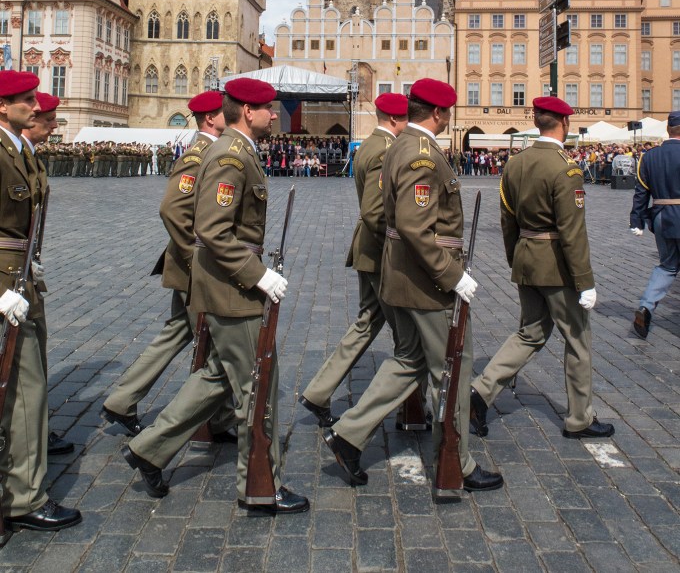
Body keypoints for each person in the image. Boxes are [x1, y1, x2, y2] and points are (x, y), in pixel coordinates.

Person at [123, 78, 308, 514]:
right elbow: (211, 229)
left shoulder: (236, 150)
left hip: (229, 284)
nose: (275, 113)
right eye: (268, 107)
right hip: (232, 288)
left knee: (220, 375)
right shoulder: (229, 154)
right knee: (258, 383)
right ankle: (261, 485)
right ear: (247, 110)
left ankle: (150, 448)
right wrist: (257, 274)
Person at [324, 78, 502, 498]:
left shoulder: (400, 146)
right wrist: (452, 275)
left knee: (409, 361)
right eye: (448, 113)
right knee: (452, 367)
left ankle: (348, 435)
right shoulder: (422, 154)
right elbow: (414, 225)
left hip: (400, 274)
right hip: (426, 282)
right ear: (438, 114)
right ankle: (456, 461)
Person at [469, 96, 615, 441]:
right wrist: (585, 282)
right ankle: (579, 418)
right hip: (556, 264)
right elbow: (572, 231)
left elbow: (507, 219)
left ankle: (480, 393)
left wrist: (514, 258)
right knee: (577, 337)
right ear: (564, 123)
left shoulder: (516, 163)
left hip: (525, 255)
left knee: (530, 333)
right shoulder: (566, 168)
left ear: (538, 122)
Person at [103, 91, 236, 439]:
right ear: (210, 118)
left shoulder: (212, 149)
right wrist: (195, 257)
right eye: (226, 112)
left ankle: (121, 400)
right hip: (194, 266)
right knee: (220, 343)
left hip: (189, 266)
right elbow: (173, 209)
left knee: (179, 331)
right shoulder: (199, 153)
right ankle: (206, 423)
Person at [0, 71, 81, 532]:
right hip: (6, 283)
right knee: (25, 389)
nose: (37, 107)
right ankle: (25, 498)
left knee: (24, 383)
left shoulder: (15, 150)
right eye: (26, 100)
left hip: (20, 277)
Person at [299, 93, 409, 427]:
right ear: (394, 119)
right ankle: (406, 405)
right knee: (409, 339)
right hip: (379, 252)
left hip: (368, 249)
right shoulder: (385, 151)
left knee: (368, 322)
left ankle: (319, 391)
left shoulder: (370, 146)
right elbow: (376, 213)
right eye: (406, 120)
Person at [21, 91, 74, 457]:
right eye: (49, 119)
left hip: (25, 272)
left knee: (35, 354)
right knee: (22, 365)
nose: (54, 124)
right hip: (11, 276)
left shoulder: (30, 156)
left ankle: (36, 428)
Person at [629, 110, 680, 339]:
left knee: (667, 266)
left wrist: (636, 220)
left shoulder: (649, 156)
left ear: (668, 130)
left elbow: (641, 193)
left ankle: (646, 306)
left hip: (661, 215)